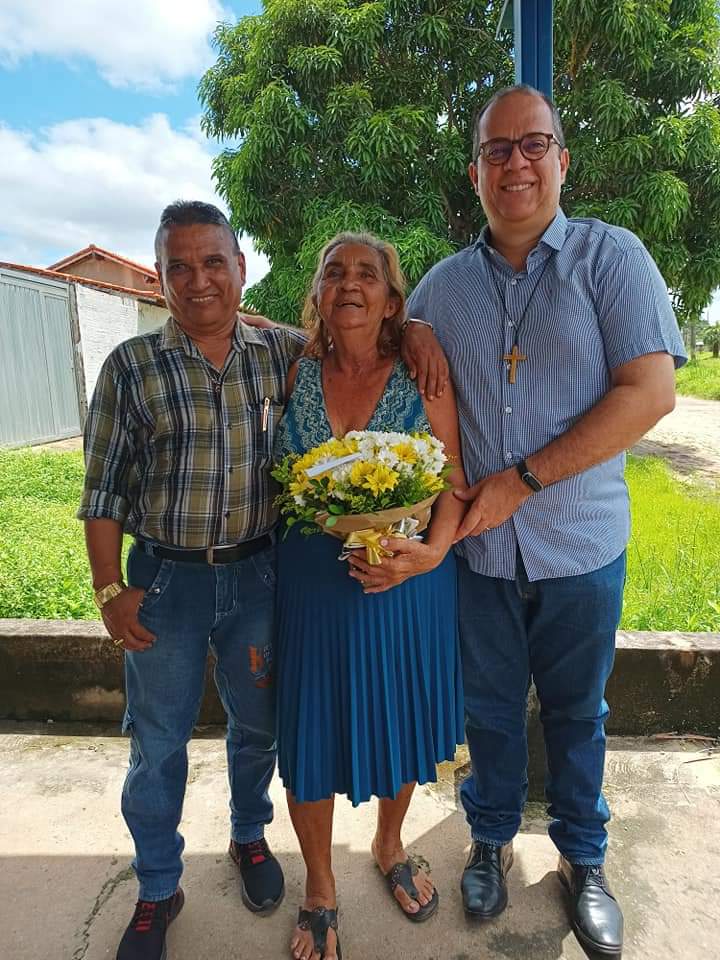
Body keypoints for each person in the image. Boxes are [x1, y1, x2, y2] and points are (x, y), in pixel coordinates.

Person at [404, 84, 686, 957]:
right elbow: (395, 376)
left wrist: (523, 479)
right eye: (497, 149)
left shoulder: (612, 259)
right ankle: (487, 837)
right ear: (475, 171)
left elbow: (651, 392)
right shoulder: (443, 289)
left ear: (563, 159)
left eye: (534, 145)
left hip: (580, 545)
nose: (516, 163)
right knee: (486, 711)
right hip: (480, 555)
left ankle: (583, 858)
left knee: (578, 711)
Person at [78, 201, 308, 960]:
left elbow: (357, 345)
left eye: (215, 262)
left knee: (259, 728)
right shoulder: (132, 368)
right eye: (180, 266)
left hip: (256, 579)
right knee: (157, 742)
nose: (199, 279)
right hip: (164, 587)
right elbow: (103, 490)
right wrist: (112, 590)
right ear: (161, 277)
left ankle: (249, 837)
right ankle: (156, 886)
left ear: (241, 269)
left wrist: (424, 332)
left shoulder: (278, 356)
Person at [272, 232, 468, 960]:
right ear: (317, 293)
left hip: (407, 583)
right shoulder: (291, 367)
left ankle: (390, 845)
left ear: (392, 298)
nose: (349, 284)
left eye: (368, 274)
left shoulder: (422, 375)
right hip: (312, 587)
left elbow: (453, 480)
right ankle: (320, 885)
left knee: (402, 721)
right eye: (334, 272)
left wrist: (428, 555)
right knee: (311, 730)